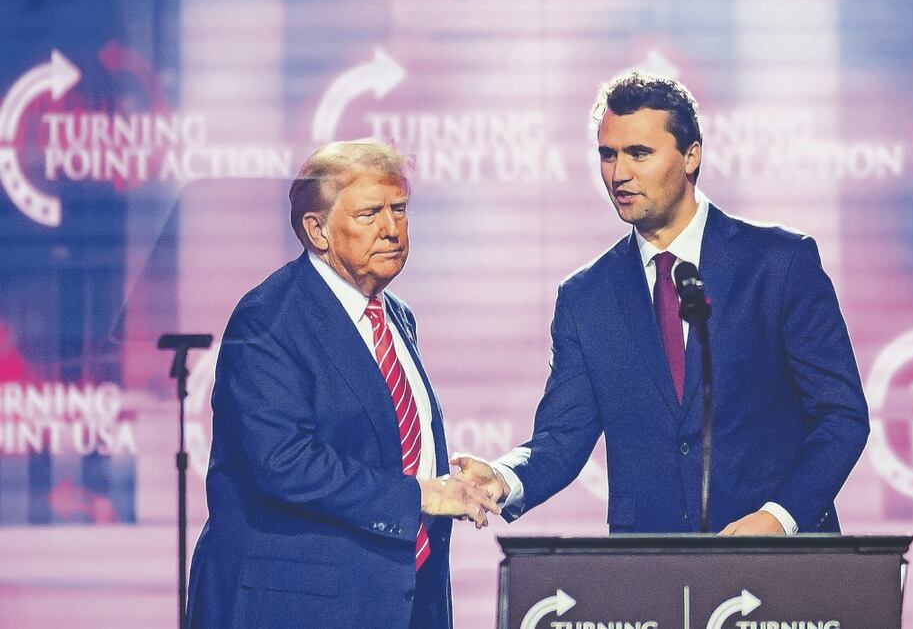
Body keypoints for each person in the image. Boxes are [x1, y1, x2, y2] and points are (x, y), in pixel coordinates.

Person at [454, 73, 869, 535]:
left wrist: (780, 516)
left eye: (639, 154)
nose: (619, 174)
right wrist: (504, 477)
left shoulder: (779, 265)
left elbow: (841, 417)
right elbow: (562, 438)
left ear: (692, 156)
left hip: (780, 572)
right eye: (607, 155)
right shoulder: (586, 297)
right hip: (652, 577)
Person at [186, 140, 498, 629]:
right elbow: (282, 462)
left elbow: (378, 440)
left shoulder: (395, 316)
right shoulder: (270, 317)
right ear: (317, 230)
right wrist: (420, 495)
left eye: (399, 209)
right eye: (370, 213)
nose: (392, 229)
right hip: (296, 606)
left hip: (397, 601)